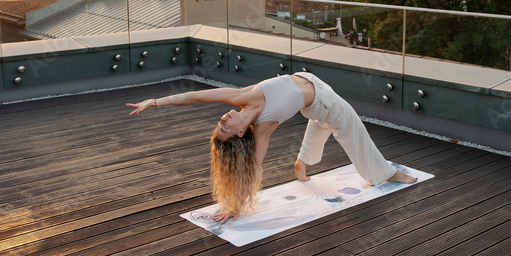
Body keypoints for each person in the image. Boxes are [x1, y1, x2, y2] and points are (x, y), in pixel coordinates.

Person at [127, 72, 416, 223]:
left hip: (312, 81)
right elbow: (254, 168)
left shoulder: (240, 96)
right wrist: (236, 205)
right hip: (320, 100)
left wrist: (153, 102)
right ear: (241, 132)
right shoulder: (262, 129)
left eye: (221, 122)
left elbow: (195, 97)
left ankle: (302, 163)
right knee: (352, 131)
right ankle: (385, 173)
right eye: (226, 127)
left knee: (323, 121)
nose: (225, 118)